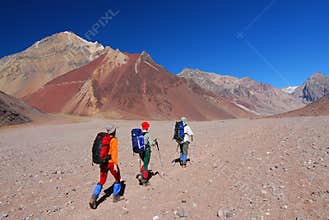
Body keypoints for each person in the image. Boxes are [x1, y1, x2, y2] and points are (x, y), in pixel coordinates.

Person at [89, 125, 121, 209]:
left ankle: (94, 197)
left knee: (102, 180)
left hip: (103, 163)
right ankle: (116, 197)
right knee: (117, 178)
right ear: (113, 131)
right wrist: (115, 164)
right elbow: (114, 152)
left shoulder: (103, 138)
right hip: (110, 163)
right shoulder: (113, 140)